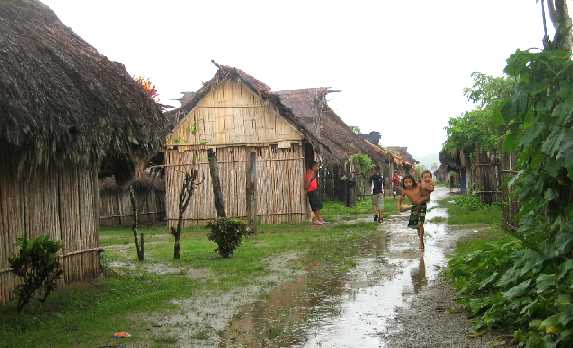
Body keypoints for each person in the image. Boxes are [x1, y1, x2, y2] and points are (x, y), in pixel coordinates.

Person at [397, 175, 429, 251]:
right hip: (414, 207)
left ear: (413, 182)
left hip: (422, 206)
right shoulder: (404, 191)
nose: (408, 184)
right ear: (403, 183)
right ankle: (421, 239)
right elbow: (399, 200)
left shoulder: (418, 186)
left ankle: (421, 242)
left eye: (410, 182)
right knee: (417, 226)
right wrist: (400, 207)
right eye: (406, 182)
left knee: (420, 224)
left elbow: (426, 193)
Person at [305, 161, 324, 225]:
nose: (317, 168)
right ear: (313, 166)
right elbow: (308, 181)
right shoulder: (311, 172)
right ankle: (315, 219)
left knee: (318, 205)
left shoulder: (312, 172)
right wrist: (307, 188)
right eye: (316, 166)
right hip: (311, 191)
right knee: (316, 206)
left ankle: (318, 218)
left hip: (313, 191)